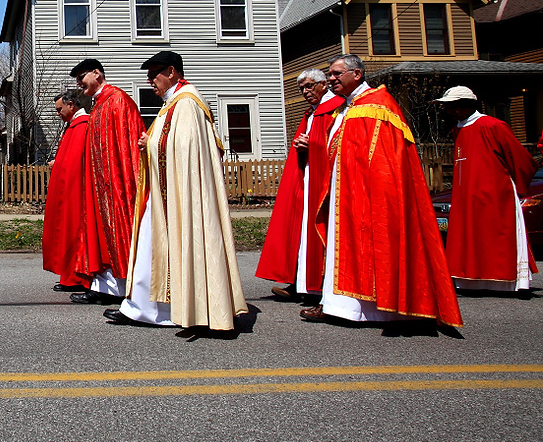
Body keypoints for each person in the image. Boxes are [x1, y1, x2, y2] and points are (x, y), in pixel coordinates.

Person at [301, 54, 463, 328]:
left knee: (371, 247)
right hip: (346, 193)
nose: (331, 79)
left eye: (337, 73)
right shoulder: (347, 108)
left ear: (357, 74)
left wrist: (373, 192)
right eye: (329, 74)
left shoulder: (379, 107)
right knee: (344, 249)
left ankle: (379, 309)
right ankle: (337, 305)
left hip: (369, 194)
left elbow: (388, 161)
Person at [104, 51, 247, 328]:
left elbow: (185, 150)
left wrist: (151, 144)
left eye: (153, 75)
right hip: (162, 193)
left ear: (171, 71)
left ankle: (158, 310)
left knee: (160, 247)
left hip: (177, 195)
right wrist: (153, 142)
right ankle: (144, 308)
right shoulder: (174, 103)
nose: (150, 82)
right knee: (149, 248)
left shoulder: (187, 104)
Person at [434, 86, 538, 291]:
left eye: (453, 106)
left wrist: (516, 185)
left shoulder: (493, 126)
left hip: (495, 190)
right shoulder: (458, 129)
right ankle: (470, 278)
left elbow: (519, 158)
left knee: (497, 235)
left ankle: (506, 280)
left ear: (466, 105)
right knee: (470, 236)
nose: (449, 111)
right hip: (466, 192)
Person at [256, 69, 344, 302]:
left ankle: (317, 285)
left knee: (320, 231)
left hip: (325, 182)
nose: (305, 92)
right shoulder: (312, 113)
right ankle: (303, 281)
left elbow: (339, 144)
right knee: (301, 231)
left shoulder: (337, 109)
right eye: (301, 88)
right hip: (308, 178)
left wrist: (312, 145)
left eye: (308, 86)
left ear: (323, 84)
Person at [68, 59, 143, 305]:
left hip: (117, 186)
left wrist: (123, 183)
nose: (79, 83)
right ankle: (103, 287)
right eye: (77, 79)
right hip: (100, 185)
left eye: (81, 76)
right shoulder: (99, 104)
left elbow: (127, 144)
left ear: (97, 73)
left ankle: (121, 287)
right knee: (100, 236)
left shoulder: (118, 100)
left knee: (117, 234)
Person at [42, 90, 92, 292]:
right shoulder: (72, 127)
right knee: (65, 232)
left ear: (71, 105)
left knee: (74, 233)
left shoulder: (83, 126)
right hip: (67, 190)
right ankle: (69, 275)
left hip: (76, 193)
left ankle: (77, 277)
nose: (57, 114)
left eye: (59, 109)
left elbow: (80, 160)